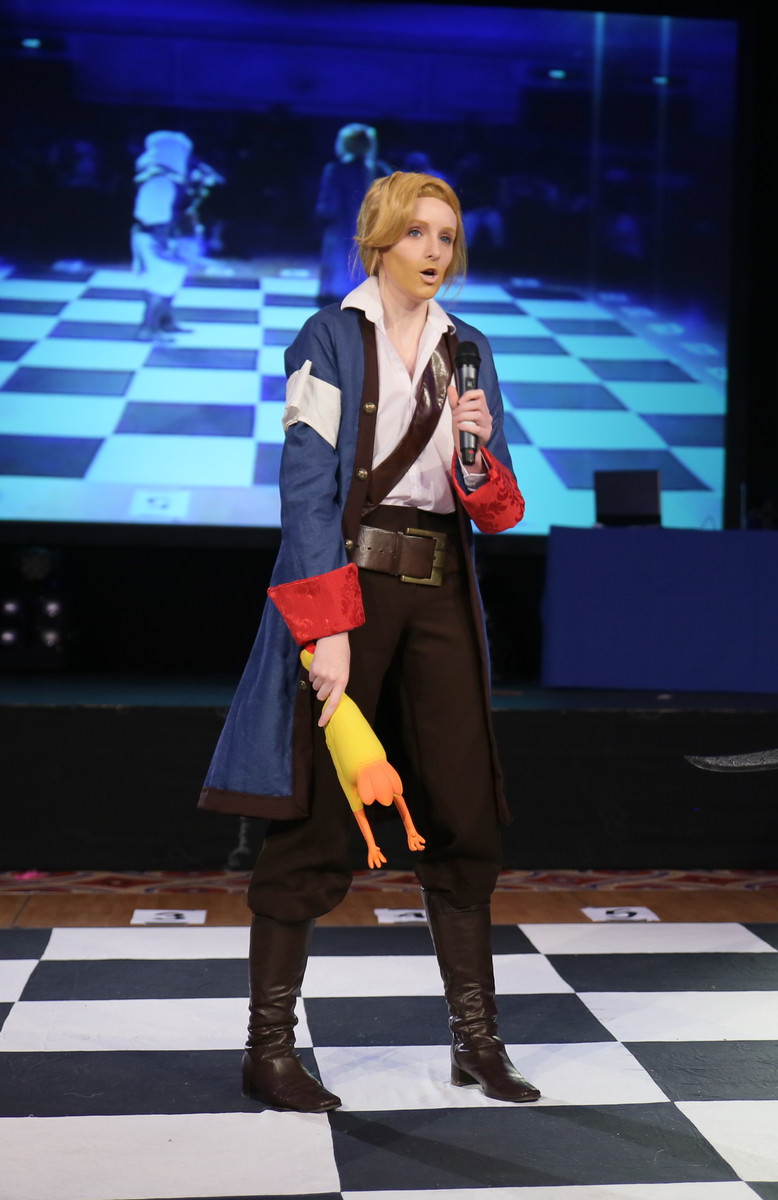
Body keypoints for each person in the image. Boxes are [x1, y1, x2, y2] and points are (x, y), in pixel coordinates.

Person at [199, 171, 534, 1112]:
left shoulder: (469, 348)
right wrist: (329, 629)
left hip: (441, 594)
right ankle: (269, 1050)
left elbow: (498, 509)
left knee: (462, 814)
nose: (435, 251)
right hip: (348, 588)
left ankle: (477, 1042)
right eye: (418, 233)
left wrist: (477, 452)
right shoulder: (328, 337)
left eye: (447, 236)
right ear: (380, 240)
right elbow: (306, 491)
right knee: (313, 818)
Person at [316, 123, 393, 305]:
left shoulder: (336, 170)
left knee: (342, 267)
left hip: (343, 230)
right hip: (373, 230)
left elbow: (328, 205)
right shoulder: (381, 170)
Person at [130, 130, 196, 340]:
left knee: (170, 281)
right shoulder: (159, 181)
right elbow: (154, 217)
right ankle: (149, 328)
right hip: (156, 239)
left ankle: (165, 322)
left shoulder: (165, 178)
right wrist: (165, 244)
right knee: (160, 283)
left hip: (162, 237)